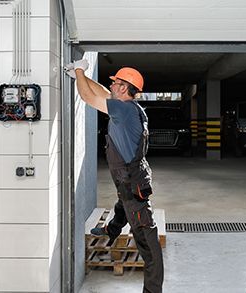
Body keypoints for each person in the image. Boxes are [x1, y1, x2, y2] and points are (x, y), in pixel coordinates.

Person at [65, 60, 164, 293]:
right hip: (130, 179)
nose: (113, 87)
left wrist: (80, 71)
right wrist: (80, 76)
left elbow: (89, 98)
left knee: (148, 244)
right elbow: (102, 92)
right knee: (123, 206)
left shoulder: (123, 109)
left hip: (132, 183)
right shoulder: (129, 107)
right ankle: (112, 230)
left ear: (123, 87)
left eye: (117, 83)